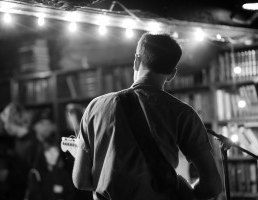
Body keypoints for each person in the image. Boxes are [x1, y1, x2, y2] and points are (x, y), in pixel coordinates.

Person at [71, 33, 222, 200]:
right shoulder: (183, 114)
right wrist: (185, 191)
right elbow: (212, 187)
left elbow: (81, 181)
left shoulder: (95, 107)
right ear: (172, 74)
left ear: (136, 60)